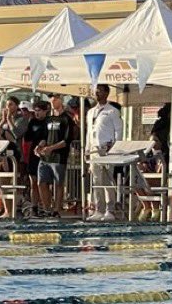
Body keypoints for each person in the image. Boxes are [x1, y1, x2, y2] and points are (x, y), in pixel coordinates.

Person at [85, 83, 123, 220]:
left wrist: (115, 146)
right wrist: (87, 149)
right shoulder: (90, 112)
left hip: (107, 149)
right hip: (94, 150)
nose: (97, 94)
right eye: (96, 91)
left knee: (107, 180)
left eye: (100, 91)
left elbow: (119, 130)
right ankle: (98, 209)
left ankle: (110, 209)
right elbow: (89, 132)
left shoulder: (112, 111)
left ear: (107, 93)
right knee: (96, 180)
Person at [36, 96, 76, 217]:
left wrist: (51, 148)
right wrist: (39, 146)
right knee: (41, 182)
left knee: (58, 183)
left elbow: (66, 140)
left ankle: (57, 209)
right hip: (45, 157)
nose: (53, 101)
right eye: (51, 99)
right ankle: (47, 208)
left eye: (56, 99)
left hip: (59, 156)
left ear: (61, 100)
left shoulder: (66, 119)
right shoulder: (48, 119)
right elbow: (44, 136)